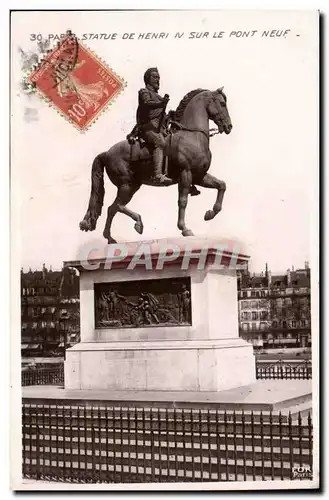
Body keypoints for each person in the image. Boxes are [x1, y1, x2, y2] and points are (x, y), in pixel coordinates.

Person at [127, 67, 200, 194]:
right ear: (147, 79)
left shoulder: (159, 97)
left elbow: (161, 117)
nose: (157, 80)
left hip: (159, 129)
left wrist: (170, 115)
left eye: (158, 77)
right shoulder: (144, 92)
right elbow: (147, 104)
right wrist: (162, 103)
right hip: (147, 129)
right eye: (154, 77)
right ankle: (157, 175)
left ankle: (185, 178)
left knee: (177, 145)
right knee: (160, 142)